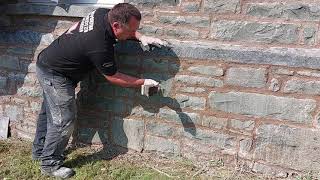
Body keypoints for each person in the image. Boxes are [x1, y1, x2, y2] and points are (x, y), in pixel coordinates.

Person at [31, 3, 166, 178]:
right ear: (116, 25)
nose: (134, 32)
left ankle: (40, 152)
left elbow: (125, 32)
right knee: (63, 119)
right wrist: (143, 81)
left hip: (51, 61)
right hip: (56, 73)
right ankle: (49, 163)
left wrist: (141, 37)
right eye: (131, 30)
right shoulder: (98, 44)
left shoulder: (104, 13)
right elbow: (113, 76)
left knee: (50, 112)